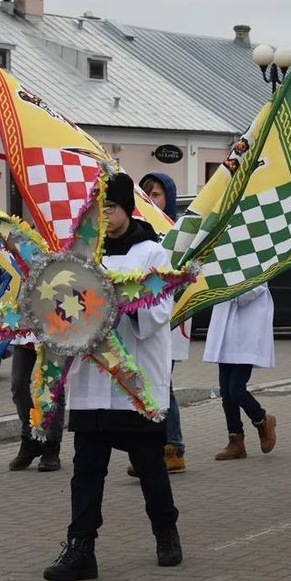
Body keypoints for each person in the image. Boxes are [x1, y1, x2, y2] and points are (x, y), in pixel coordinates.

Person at [44, 172, 181, 581]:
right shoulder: (82, 255)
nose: (106, 214)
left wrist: (115, 296)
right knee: (86, 470)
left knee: (150, 466)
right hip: (89, 385)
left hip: (132, 384)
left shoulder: (153, 254)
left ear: (127, 208)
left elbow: (159, 313)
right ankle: (81, 549)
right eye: (100, 207)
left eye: (112, 206)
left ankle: (165, 531)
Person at [124, 172, 186, 475]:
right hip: (142, 326)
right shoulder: (141, 237)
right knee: (150, 381)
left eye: (157, 195)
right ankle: (149, 446)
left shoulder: (175, 237)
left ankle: (172, 446)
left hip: (168, 320)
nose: (151, 200)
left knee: (164, 383)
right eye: (146, 195)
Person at [204, 284, 278, 460]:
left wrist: (227, 289)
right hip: (225, 331)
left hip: (246, 332)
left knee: (236, 390)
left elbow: (255, 287)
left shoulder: (257, 257)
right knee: (226, 393)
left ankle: (262, 420)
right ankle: (235, 440)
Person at [8, 334, 64, 472]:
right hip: (25, 331)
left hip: (53, 328)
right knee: (18, 384)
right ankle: (30, 439)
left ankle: (52, 445)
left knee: (52, 386)